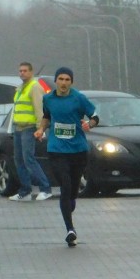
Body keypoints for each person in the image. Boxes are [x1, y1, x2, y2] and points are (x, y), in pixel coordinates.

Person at [34, 67, 99, 247]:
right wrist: (41, 129)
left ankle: (69, 205)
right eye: (60, 79)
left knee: (72, 192)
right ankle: (70, 230)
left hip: (78, 150)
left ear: (71, 82)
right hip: (56, 150)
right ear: (56, 81)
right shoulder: (48, 98)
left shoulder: (78, 98)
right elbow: (47, 117)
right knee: (65, 185)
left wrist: (90, 124)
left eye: (67, 80)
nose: (63, 83)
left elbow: (95, 116)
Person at [9, 62, 53, 201]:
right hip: (18, 127)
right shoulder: (21, 88)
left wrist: (41, 128)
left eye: (25, 71)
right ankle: (25, 191)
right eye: (20, 71)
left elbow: (39, 109)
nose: (22, 73)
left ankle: (45, 189)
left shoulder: (34, 87)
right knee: (19, 160)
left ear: (31, 72)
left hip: (29, 128)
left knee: (29, 159)